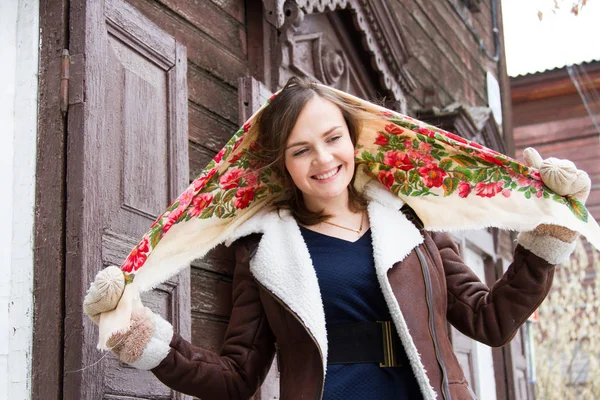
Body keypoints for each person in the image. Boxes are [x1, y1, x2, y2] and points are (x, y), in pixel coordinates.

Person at [84, 77, 591, 400]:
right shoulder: (263, 251)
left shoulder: (410, 224)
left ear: (353, 140)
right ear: (283, 163)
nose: (323, 160)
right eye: (302, 150)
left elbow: (491, 319)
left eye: (332, 139)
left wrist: (547, 232)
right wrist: (144, 340)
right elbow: (238, 378)